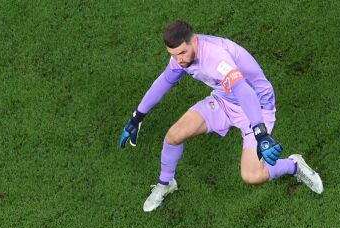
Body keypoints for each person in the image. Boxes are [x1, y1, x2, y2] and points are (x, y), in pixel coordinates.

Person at [119, 20, 324, 212]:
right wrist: (137, 117)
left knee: (252, 175)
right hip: (224, 101)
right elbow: (164, 81)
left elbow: (244, 90)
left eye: (181, 52)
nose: (178, 60)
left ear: (195, 40)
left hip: (256, 108)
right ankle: (166, 184)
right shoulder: (180, 58)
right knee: (174, 135)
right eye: (173, 54)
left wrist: (260, 132)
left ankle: (294, 164)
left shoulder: (216, 57)